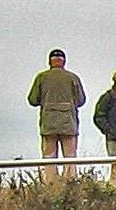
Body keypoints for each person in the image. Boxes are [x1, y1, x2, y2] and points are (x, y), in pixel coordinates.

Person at [27, 48, 86, 178]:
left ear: (49, 61)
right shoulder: (73, 78)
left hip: (49, 123)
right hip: (68, 122)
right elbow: (81, 100)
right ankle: (70, 182)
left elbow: (32, 100)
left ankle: (51, 183)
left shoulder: (41, 77)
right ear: (64, 61)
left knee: (49, 156)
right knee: (70, 156)